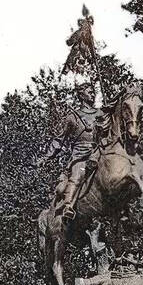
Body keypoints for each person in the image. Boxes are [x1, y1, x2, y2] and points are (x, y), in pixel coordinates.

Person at [43, 81, 104, 222]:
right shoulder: (73, 116)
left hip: (99, 152)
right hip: (81, 155)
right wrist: (46, 156)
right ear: (81, 96)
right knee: (78, 174)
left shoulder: (100, 113)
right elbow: (59, 139)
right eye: (89, 92)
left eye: (93, 92)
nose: (93, 94)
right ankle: (68, 206)